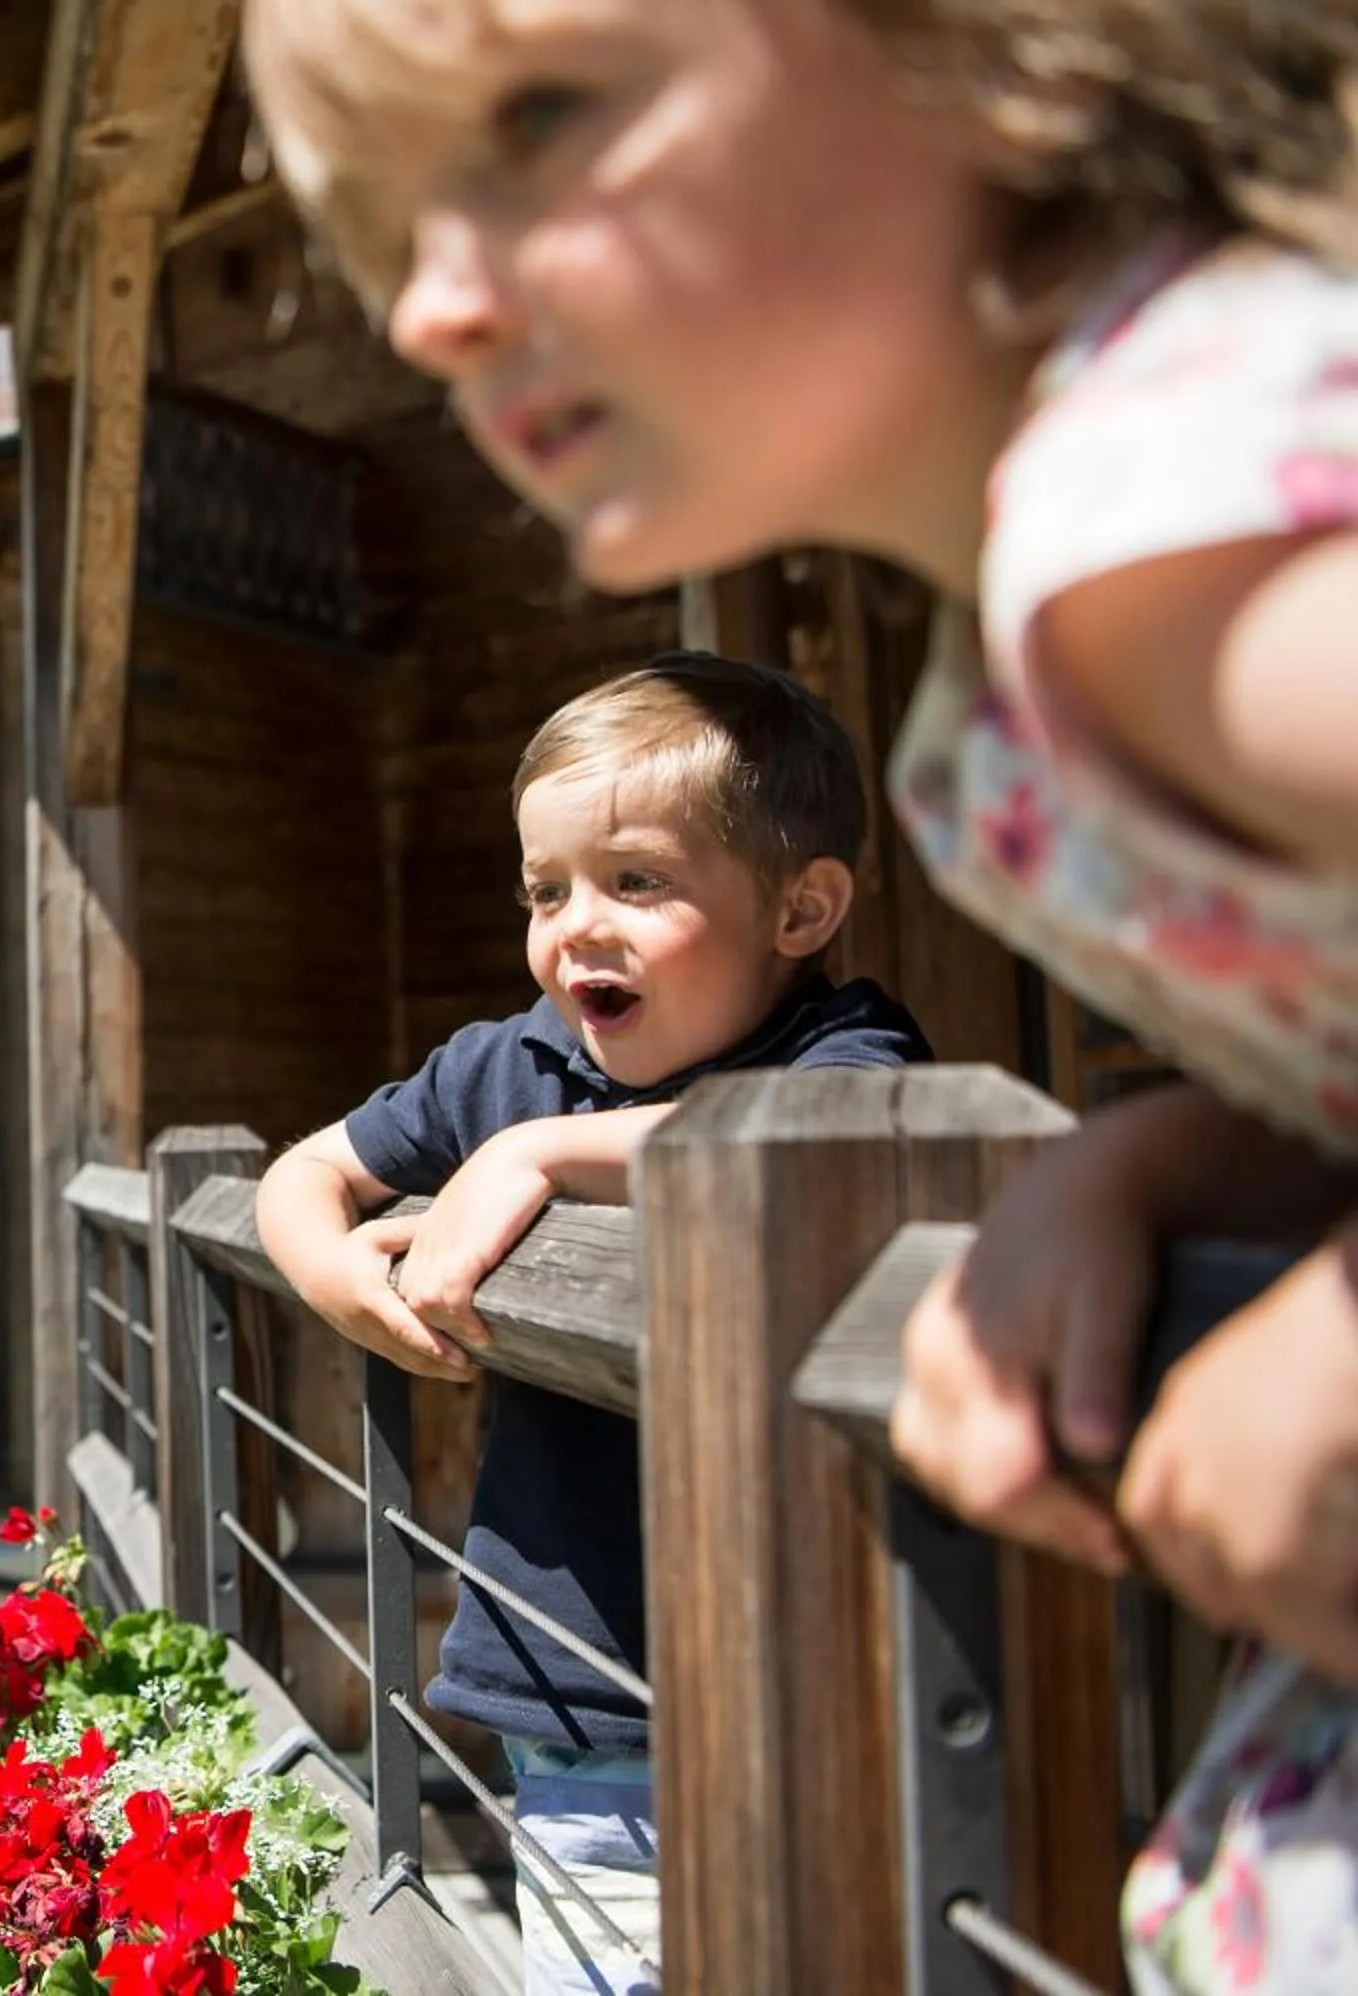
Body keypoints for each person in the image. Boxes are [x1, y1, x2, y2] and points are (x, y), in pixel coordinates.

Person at [239, 0, 1358, 1985]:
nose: (425, 308)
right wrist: (1191, 1154)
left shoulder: (1176, 521)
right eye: (399, 220)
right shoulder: (1025, 647)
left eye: (542, 117)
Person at [257, 653, 929, 1995]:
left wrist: (539, 1159)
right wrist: (346, 1290)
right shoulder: (505, 1061)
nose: (578, 929)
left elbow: (822, 1144)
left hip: (812, 1691)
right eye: (545, 890)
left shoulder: (843, 1052)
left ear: (802, 909)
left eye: (637, 882)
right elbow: (300, 1174)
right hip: (578, 1698)